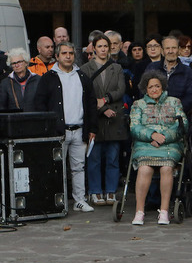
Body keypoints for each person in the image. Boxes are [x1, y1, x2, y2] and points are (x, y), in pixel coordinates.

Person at [35, 42, 98, 212]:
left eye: (71, 53)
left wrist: (92, 128)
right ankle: (56, 201)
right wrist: (47, 129)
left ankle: (79, 200)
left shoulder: (83, 77)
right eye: (64, 53)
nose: (68, 56)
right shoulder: (48, 78)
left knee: (79, 167)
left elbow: (91, 104)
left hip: (79, 130)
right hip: (57, 132)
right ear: (57, 56)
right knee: (55, 168)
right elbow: (40, 104)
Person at [129, 71, 188, 225]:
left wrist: (164, 137)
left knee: (166, 168)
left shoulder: (175, 102)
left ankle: (164, 211)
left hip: (169, 144)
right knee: (144, 169)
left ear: (162, 87)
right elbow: (134, 127)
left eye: (157, 86)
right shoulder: (138, 105)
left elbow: (182, 125)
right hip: (146, 144)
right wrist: (152, 135)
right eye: (150, 87)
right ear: (145, 89)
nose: (154, 89)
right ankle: (139, 211)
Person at [80, 34, 127, 207]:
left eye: (105, 46)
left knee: (113, 157)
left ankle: (111, 191)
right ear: (93, 48)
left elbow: (121, 89)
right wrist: (101, 108)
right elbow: (86, 94)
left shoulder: (117, 68)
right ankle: (95, 191)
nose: (103, 49)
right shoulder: (85, 68)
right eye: (99, 46)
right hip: (95, 117)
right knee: (94, 158)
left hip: (114, 117)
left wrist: (106, 100)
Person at [146, 35, 192, 114]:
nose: (170, 51)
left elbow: (191, 97)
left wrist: (173, 110)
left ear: (179, 50)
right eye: (167, 48)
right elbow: (143, 90)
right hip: (153, 117)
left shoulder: (188, 72)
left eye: (174, 48)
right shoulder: (152, 68)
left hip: (178, 117)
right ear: (162, 51)